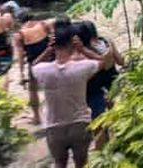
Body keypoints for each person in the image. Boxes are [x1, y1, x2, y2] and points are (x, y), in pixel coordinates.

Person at [32, 23, 106, 168]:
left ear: (53, 45)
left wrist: (48, 51)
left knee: (59, 163)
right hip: (80, 123)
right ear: (72, 43)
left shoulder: (43, 70)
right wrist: (83, 49)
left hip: (53, 125)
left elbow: (34, 65)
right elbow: (102, 62)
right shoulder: (82, 67)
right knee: (81, 163)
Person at [76, 20, 124, 148]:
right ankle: (118, 139)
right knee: (113, 112)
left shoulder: (85, 51)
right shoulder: (107, 41)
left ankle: (102, 147)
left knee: (99, 120)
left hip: (95, 87)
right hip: (113, 81)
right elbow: (120, 61)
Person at [13, 9, 53, 124]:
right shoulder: (44, 25)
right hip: (49, 58)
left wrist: (21, 73)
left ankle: (37, 117)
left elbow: (20, 56)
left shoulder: (19, 35)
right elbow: (53, 39)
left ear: (19, 20)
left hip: (34, 63)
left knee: (33, 90)